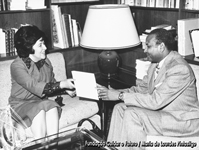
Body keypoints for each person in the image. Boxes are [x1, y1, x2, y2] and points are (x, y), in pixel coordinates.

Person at [98, 28, 199, 150]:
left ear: (161, 46)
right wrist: (114, 92)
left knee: (132, 114)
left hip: (181, 121)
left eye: (148, 46)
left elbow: (155, 101)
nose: (144, 49)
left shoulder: (179, 69)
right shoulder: (155, 64)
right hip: (163, 114)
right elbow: (142, 89)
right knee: (120, 108)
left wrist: (120, 96)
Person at [9, 25, 76, 144]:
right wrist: (63, 84)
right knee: (40, 110)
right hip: (20, 105)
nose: (45, 47)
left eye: (43, 43)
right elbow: (34, 86)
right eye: (40, 45)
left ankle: (53, 144)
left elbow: (51, 85)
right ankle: (39, 145)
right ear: (29, 47)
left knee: (52, 105)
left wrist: (66, 90)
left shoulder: (46, 62)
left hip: (39, 102)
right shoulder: (17, 66)